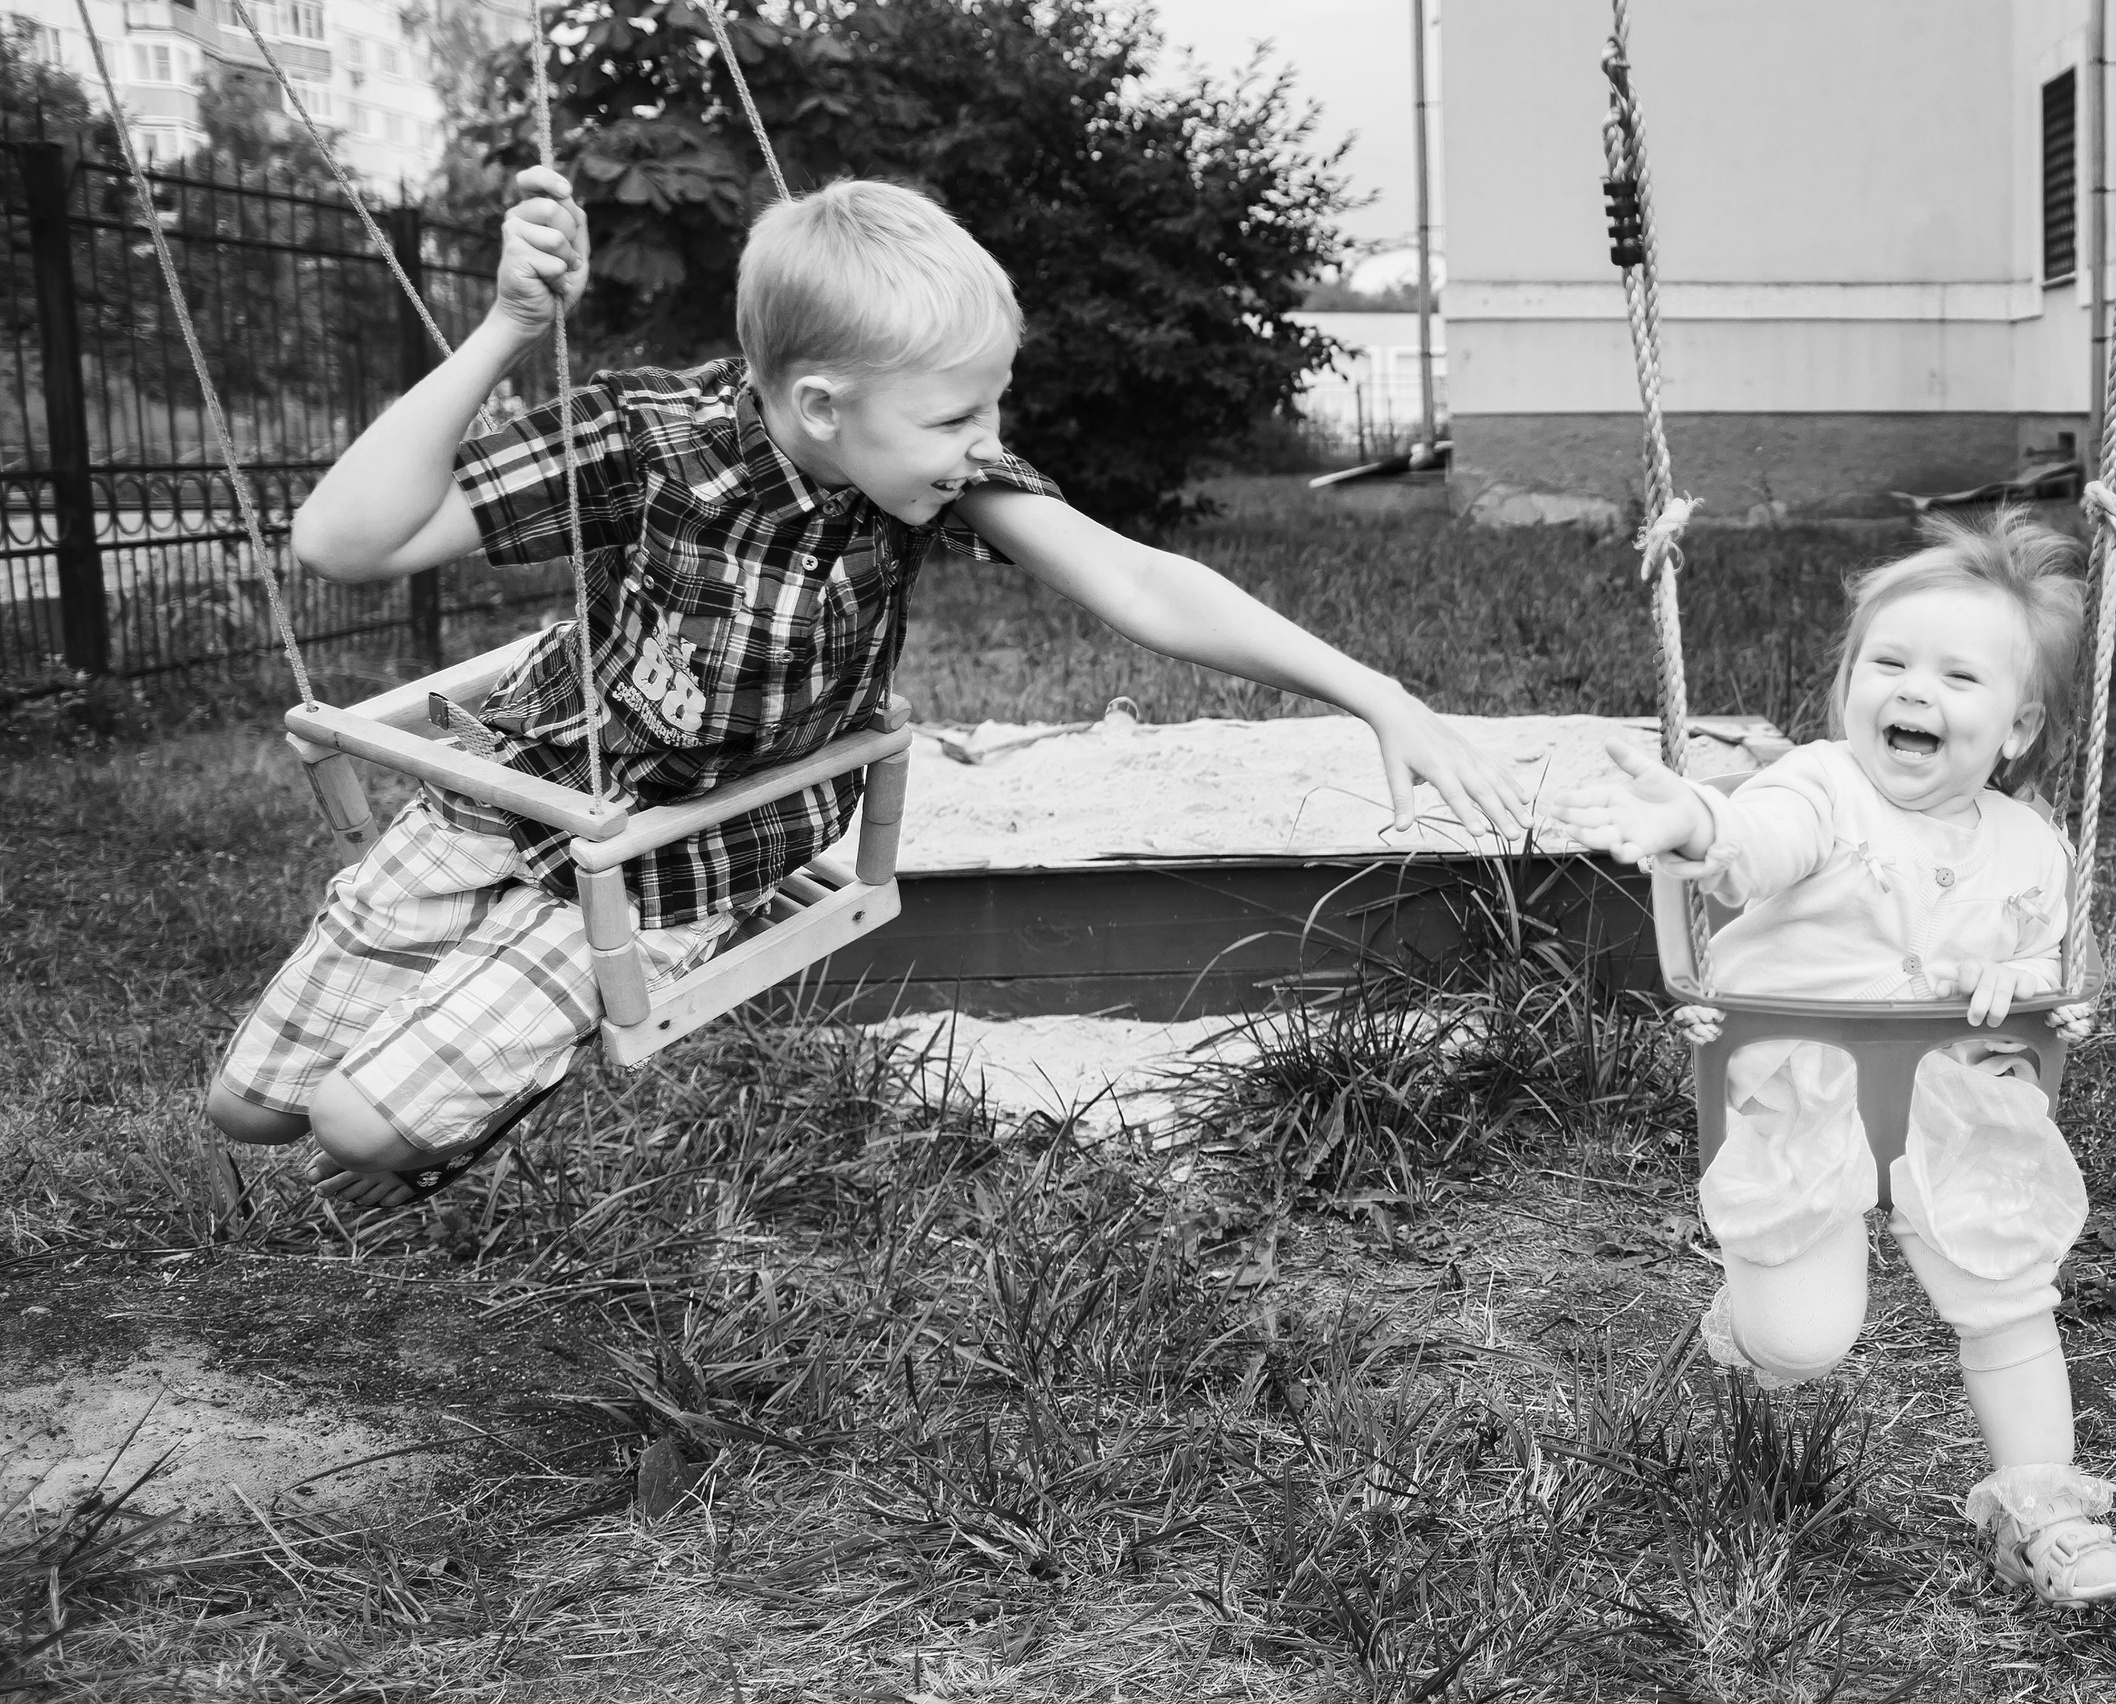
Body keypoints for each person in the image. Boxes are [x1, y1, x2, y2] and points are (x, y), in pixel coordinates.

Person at [205, 170, 1526, 1209]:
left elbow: (1141, 583)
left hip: (667, 862)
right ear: (823, 403)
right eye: (959, 418)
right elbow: (343, 543)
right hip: (516, 789)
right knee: (249, 1110)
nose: (986, 447)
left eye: (990, 409)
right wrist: (508, 330)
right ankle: (439, 1052)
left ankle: (435, 1120)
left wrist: (1373, 692)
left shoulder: (925, 477)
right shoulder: (651, 446)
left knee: (355, 1124)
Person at [1554, 508, 2116, 1607]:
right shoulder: (1820, 789)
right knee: (1804, 1343)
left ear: (2014, 730)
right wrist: (1695, 824)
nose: (1914, 690)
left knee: (2010, 1300)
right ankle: (1746, 1331)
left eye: (1957, 677)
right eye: (1889, 663)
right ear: (1847, 691)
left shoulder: (2032, 846)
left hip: (1960, 1105)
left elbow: (2045, 959)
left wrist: (2036, 989)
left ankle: (2047, 1513)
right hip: (1797, 1097)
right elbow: (1748, 850)